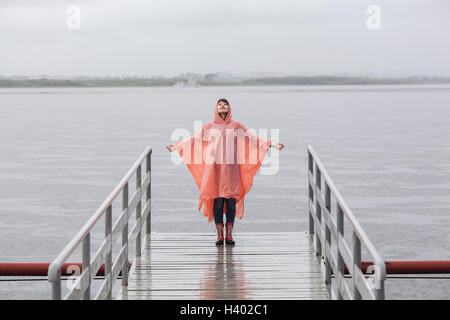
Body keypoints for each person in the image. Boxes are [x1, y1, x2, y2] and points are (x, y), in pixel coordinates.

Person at [167, 98, 285, 246]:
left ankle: (229, 236)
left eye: (225, 104)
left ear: (229, 108)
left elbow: (253, 139)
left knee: (230, 202)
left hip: (231, 169)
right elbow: (195, 140)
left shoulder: (236, 126)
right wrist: (177, 145)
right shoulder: (209, 127)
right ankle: (219, 236)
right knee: (217, 202)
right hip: (214, 170)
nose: (222, 106)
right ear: (216, 109)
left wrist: (272, 144)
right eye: (220, 104)